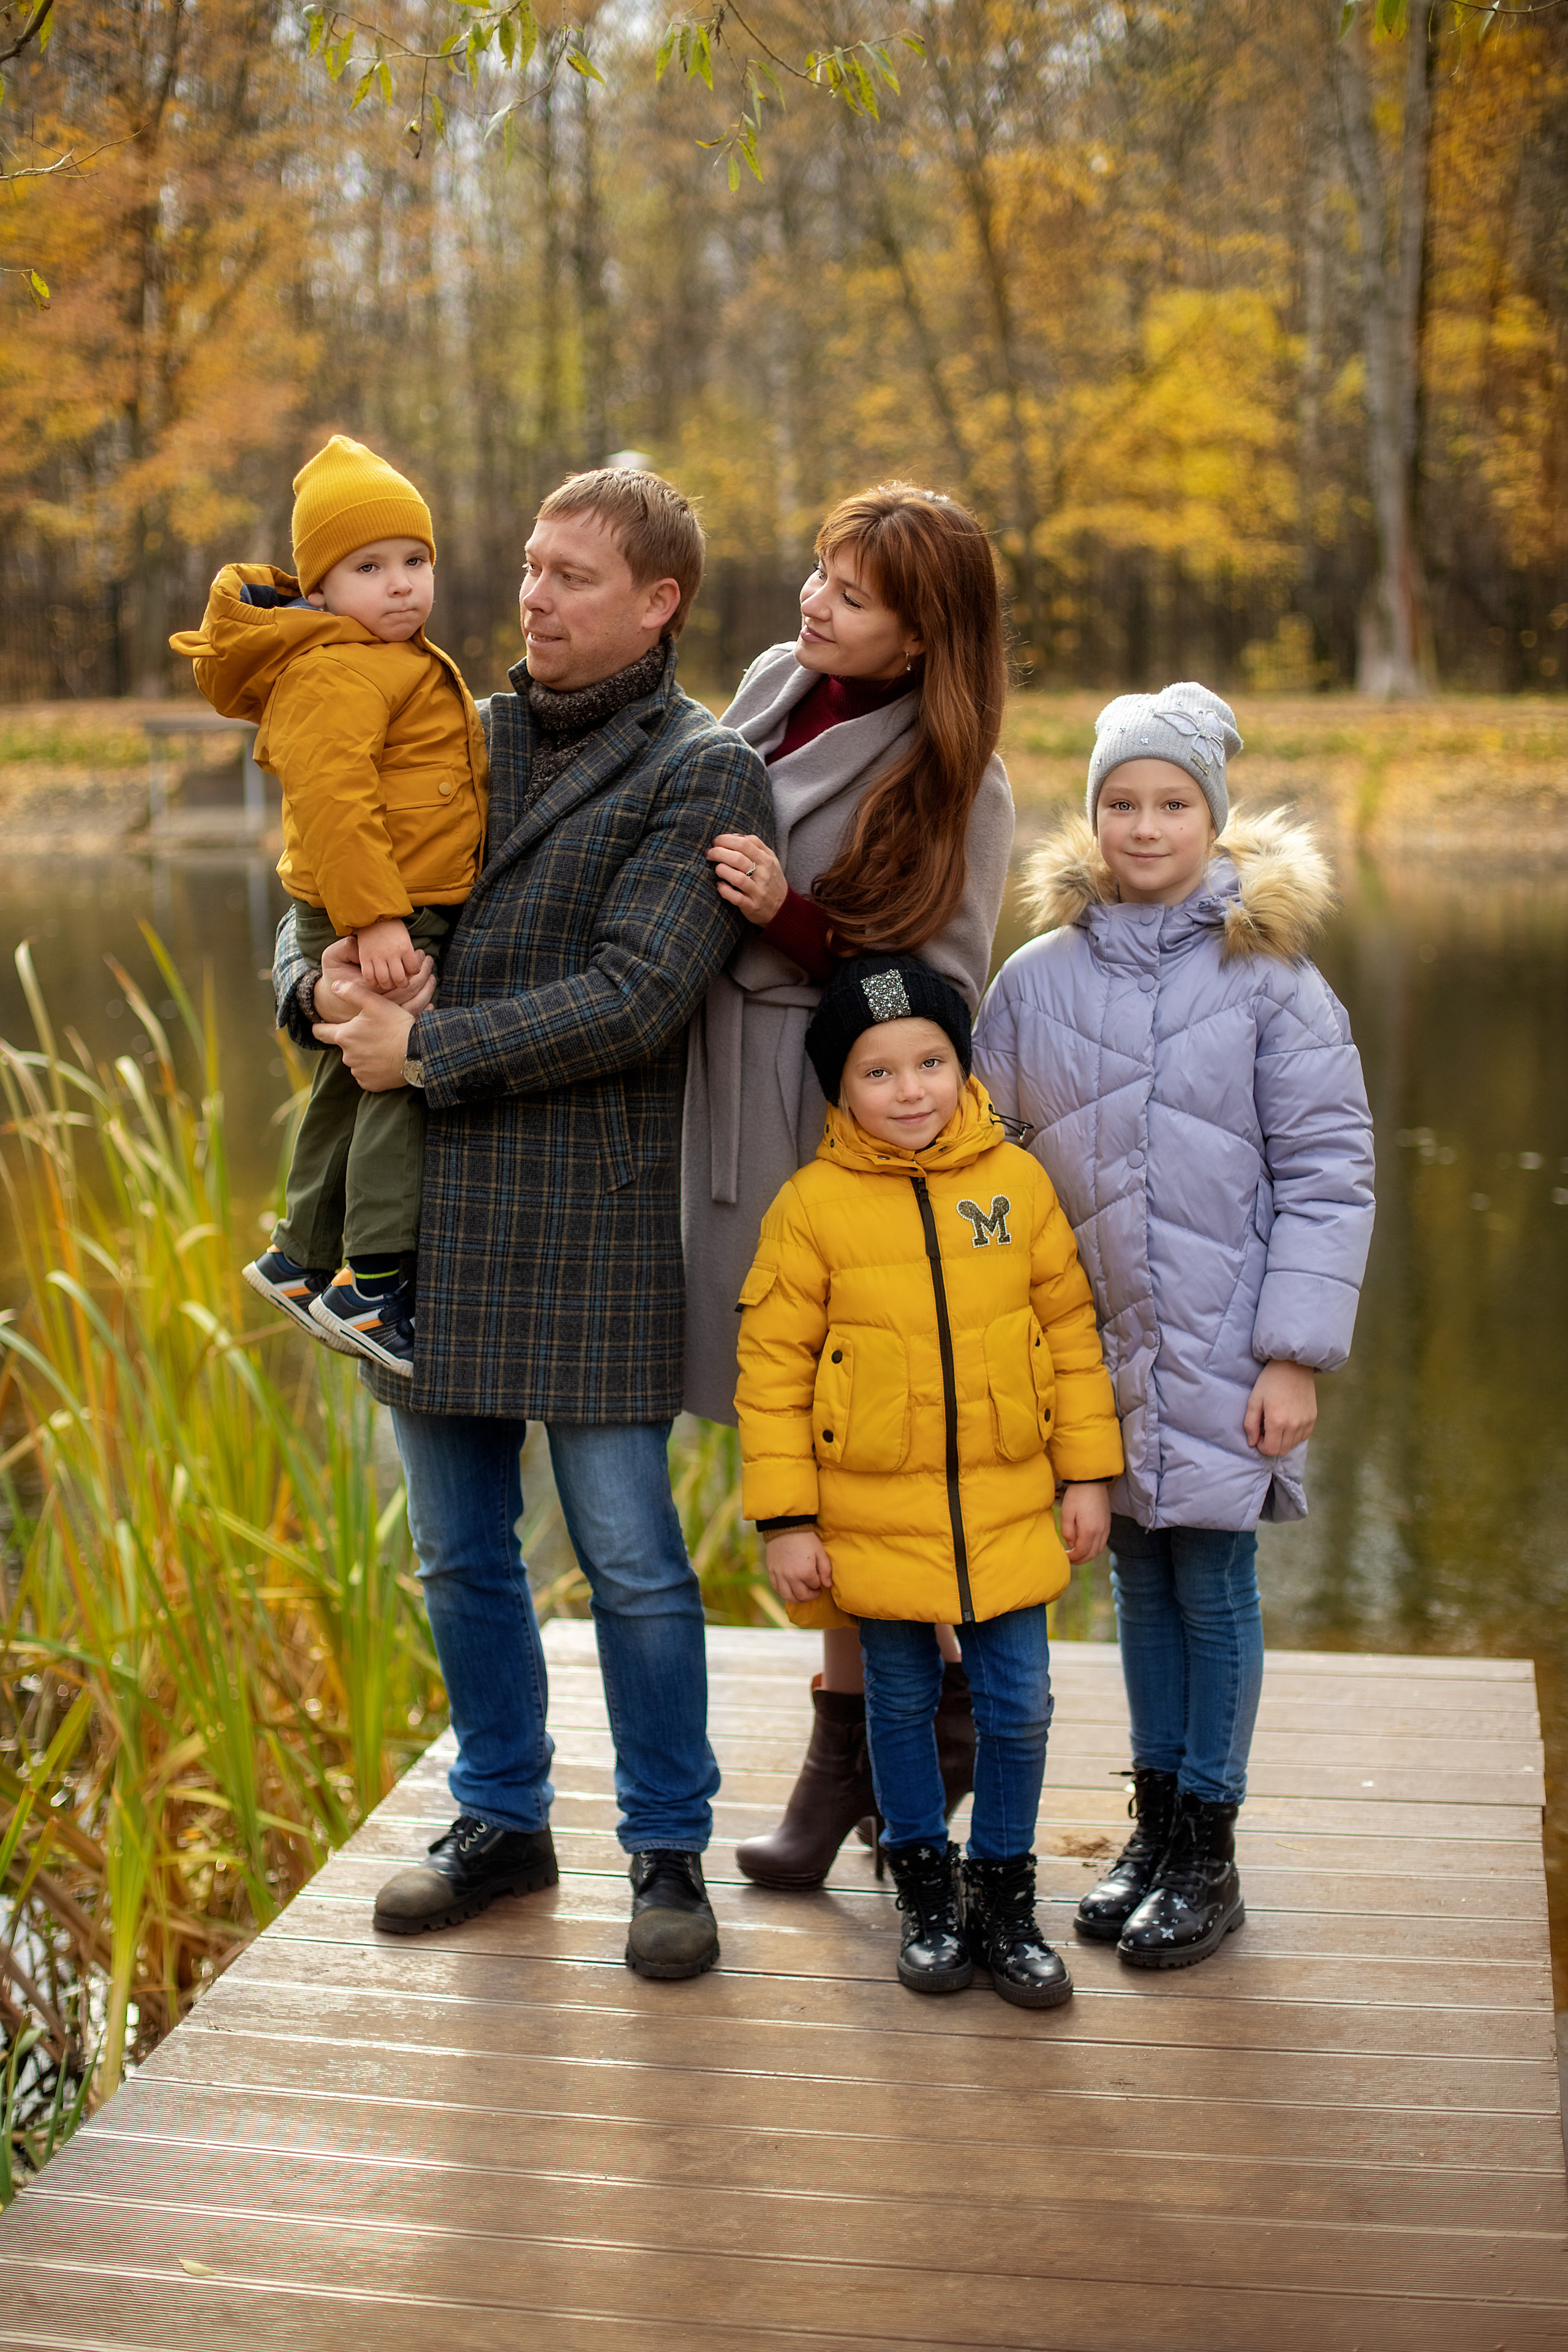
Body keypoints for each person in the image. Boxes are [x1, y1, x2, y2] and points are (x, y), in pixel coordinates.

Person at [271, 469, 775, 1980]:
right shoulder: (446, 719)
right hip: (413, 1231)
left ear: (658, 601)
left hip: (589, 1228)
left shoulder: (705, 770)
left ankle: (665, 1852)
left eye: (569, 577)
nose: (532, 599)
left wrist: (424, 1050)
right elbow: (316, 877)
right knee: (457, 1553)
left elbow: (635, 994)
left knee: (630, 1558)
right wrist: (317, 991)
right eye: (531, 570)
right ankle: (499, 1819)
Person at [973, 682, 1376, 1969]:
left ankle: (1209, 1851)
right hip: (1092, 1349)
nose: (1144, 828)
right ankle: (1152, 1828)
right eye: (1120, 803)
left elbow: (1325, 1172)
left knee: (1210, 1585)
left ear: (1212, 818)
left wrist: (1290, 1354)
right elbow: (992, 1160)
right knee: (1136, 1584)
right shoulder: (1032, 984)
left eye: (1171, 804)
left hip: (1223, 1345)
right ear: (1089, 818)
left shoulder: (1272, 985)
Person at [682, 484, 1016, 1888]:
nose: (813, 603)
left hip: (826, 1136)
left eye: (852, 595)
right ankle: (891, 1743)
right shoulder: (775, 682)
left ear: (921, 640)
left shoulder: (962, 786)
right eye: (818, 572)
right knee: (797, 1441)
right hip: (703, 1100)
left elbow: (937, 1001)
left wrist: (789, 918)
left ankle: (875, 1752)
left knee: (842, 1438)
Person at [735, 955, 1123, 2003]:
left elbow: (1072, 1337)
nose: (911, 1090)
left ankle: (1003, 1895)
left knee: (1022, 1706)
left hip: (1005, 1510)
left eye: (932, 1063)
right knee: (898, 1705)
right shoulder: (812, 1209)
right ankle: (926, 1894)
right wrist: (785, 1520)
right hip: (870, 1519)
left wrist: (1087, 1476)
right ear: (839, 1090)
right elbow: (771, 1375)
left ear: (962, 1065)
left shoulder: (1016, 1185)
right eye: (878, 1073)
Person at [171, 435, 488, 1376]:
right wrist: (376, 920)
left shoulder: (375, 657)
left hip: (382, 903)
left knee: (352, 1075)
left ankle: (300, 1255)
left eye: (415, 562)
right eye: (370, 567)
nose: (401, 586)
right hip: (383, 909)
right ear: (319, 589)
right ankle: (376, 1282)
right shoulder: (336, 668)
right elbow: (333, 806)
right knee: (396, 1076)